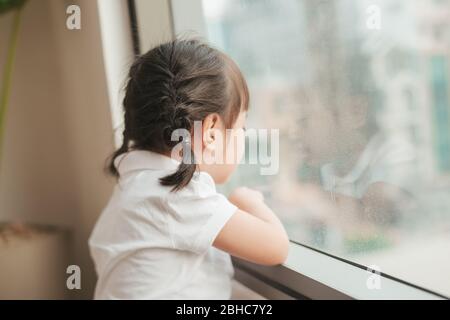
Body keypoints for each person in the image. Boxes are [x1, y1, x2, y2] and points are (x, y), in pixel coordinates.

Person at [88, 39, 289, 300]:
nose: (243, 136)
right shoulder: (178, 195)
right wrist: (249, 201)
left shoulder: (136, 186)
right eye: (241, 128)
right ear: (211, 133)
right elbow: (276, 247)